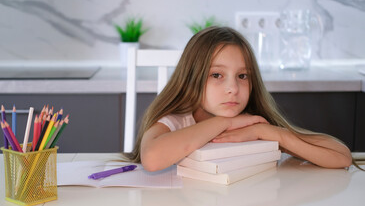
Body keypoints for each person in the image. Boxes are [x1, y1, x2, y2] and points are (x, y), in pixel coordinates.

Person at [127, 26, 352, 172]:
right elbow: (152, 159)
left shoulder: (254, 123)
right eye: (217, 75)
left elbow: (340, 157)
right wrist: (224, 123)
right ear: (190, 78)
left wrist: (269, 133)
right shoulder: (176, 121)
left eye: (242, 76)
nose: (233, 88)